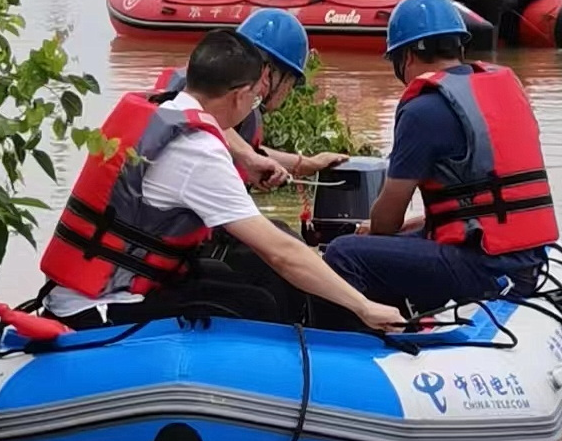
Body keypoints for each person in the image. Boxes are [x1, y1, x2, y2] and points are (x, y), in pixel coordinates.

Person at [39, 29, 404, 334]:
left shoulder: (162, 110)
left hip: (86, 289)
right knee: (258, 302)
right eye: (255, 95)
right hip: (100, 306)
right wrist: (364, 307)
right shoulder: (197, 151)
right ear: (240, 95)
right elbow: (281, 253)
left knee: (251, 278)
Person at [317, 0, 557, 331]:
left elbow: (387, 218)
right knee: (405, 241)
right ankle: (417, 319)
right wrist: (412, 227)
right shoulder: (503, 87)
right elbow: (473, 208)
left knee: (344, 253)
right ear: (459, 46)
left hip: (481, 268)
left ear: (409, 55)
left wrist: (375, 231)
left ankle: (354, 344)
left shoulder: (422, 110)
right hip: (526, 260)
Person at [153, 9, 348, 189]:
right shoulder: (191, 96)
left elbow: (248, 149)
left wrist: (308, 164)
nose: (289, 91)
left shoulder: (215, 92)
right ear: (269, 74)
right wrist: (246, 155)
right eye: (291, 83)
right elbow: (195, 116)